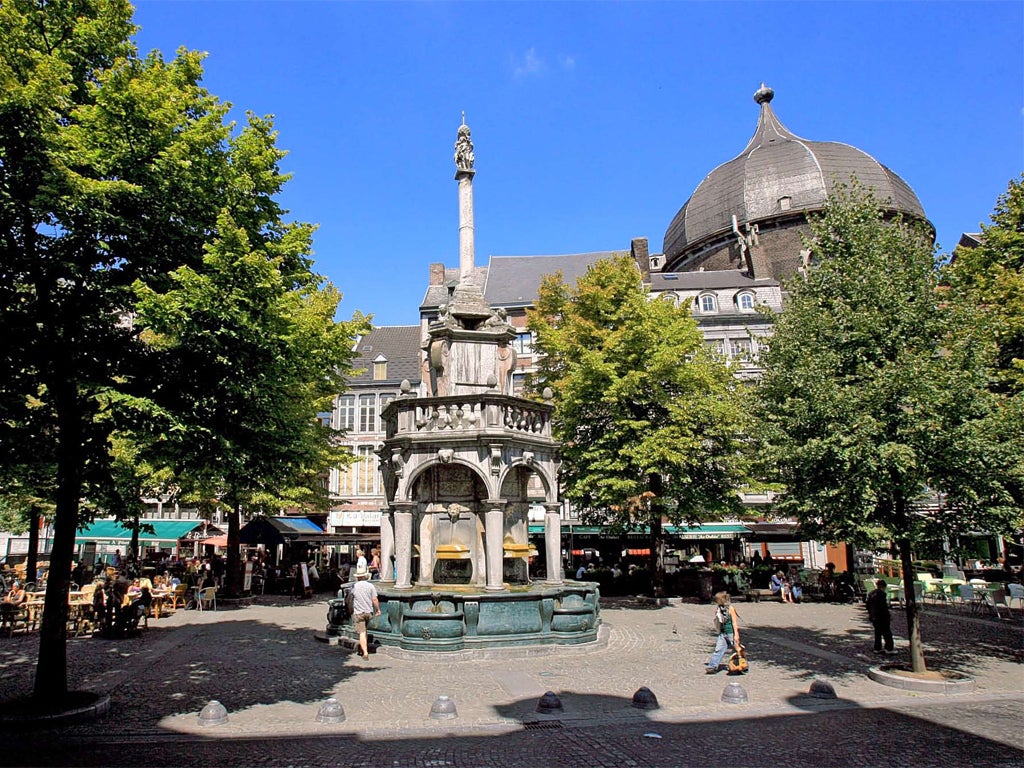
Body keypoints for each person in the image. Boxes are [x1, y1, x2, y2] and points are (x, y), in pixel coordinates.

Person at [349, 566, 381, 660]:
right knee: (365, 630)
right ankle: (364, 647)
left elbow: (350, 597)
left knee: (362, 632)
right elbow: (374, 599)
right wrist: (378, 609)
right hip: (368, 612)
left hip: (359, 612)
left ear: (358, 577)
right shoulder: (370, 586)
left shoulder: (354, 586)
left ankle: (365, 652)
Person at [706, 592, 741, 674]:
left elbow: (734, 623)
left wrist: (736, 635)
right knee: (718, 649)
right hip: (722, 633)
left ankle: (738, 666)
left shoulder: (731, 608)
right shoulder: (719, 608)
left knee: (736, 650)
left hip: (730, 632)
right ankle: (712, 666)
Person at [866, 579, 895, 655]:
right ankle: (889, 648)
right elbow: (883, 607)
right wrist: (888, 616)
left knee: (877, 632)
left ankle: (877, 648)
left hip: (874, 616)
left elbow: (867, 606)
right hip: (882, 616)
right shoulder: (882, 595)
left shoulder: (871, 593)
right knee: (887, 632)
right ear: (883, 587)